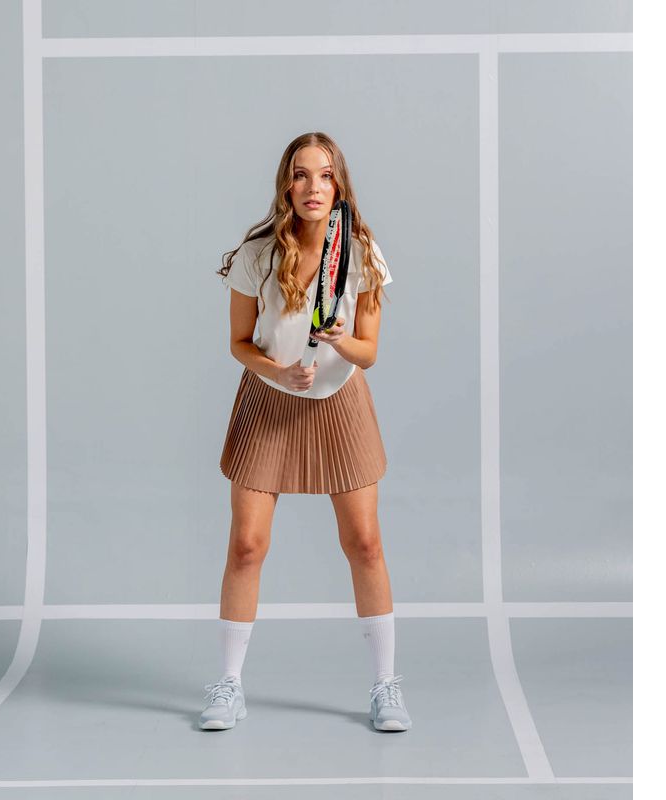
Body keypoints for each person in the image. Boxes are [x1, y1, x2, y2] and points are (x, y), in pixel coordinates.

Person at [199, 132, 411, 733]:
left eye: (324, 175)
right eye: (300, 174)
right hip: (269, 403)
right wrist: (279, 372)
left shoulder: (363, 253)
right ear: (286, 185)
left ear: (338, 186)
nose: (312, 186)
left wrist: (340, 339)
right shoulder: (258, 254)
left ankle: (386, 686)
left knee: (365, 543)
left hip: (341, 404)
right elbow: (239, 343)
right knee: (246, 546)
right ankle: (229, 686)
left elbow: (369, 353)